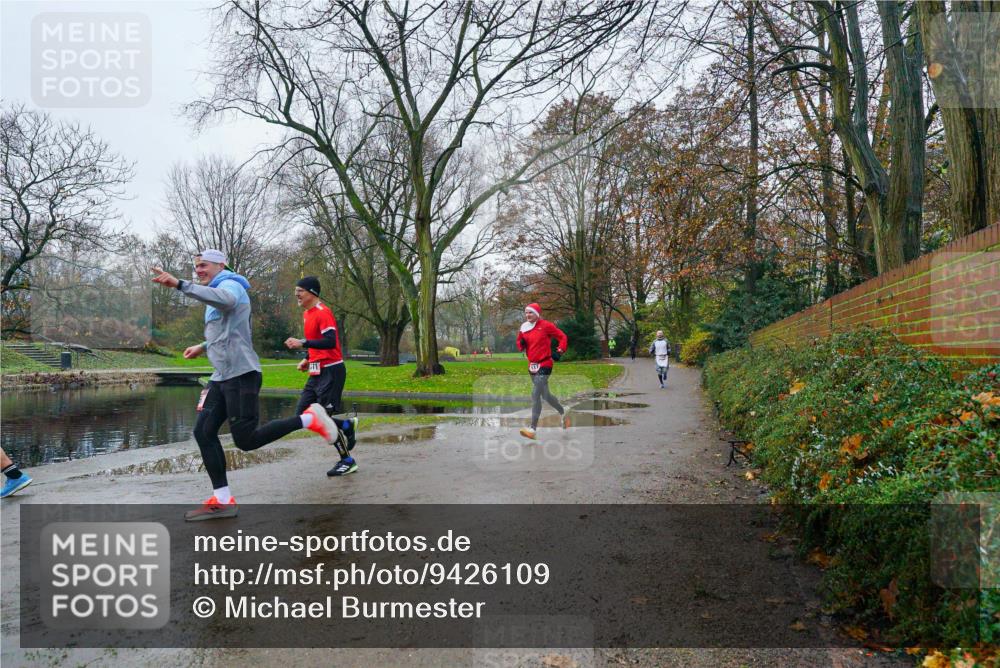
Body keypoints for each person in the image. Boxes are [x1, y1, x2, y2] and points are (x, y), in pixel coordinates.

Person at [152, 250, 339, 521]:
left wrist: (181, 284)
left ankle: (309, 418)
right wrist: (203, 346)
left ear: (221, 265)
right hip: (222, 375)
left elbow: (226, 301)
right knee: (204, 432)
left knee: (246, 440)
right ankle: (224, 500)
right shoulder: (214, 290)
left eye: (203, 265)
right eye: (196, 267)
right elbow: (231, 331)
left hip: (241, 375)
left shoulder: (231, 286)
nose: (199, 270)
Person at [284, 276, 358, 477]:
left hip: (331, 372)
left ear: (312, 292)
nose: (296, 294)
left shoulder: (323, 313)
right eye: (296, 291)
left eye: (300, 291)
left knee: (323, 418)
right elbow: (317, 341)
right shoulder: (308, 314)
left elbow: (330, 341)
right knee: (302, 414)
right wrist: (307, 358)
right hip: (316, 371)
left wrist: (303, 343)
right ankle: (345, 425)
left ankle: (347, 461)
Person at [515, 303, 570, 439]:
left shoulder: (545, 325)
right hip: (532, 366)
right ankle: (563, 411)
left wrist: (560, 350)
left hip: (545, 363)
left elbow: (562, 337)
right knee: (545, 396)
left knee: (535, 394)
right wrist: (521, 344)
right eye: (526, 313)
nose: (528, 315)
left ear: (537, 314)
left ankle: (532, 429)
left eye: (531, 313)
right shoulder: (524, 327)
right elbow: (519, 342)